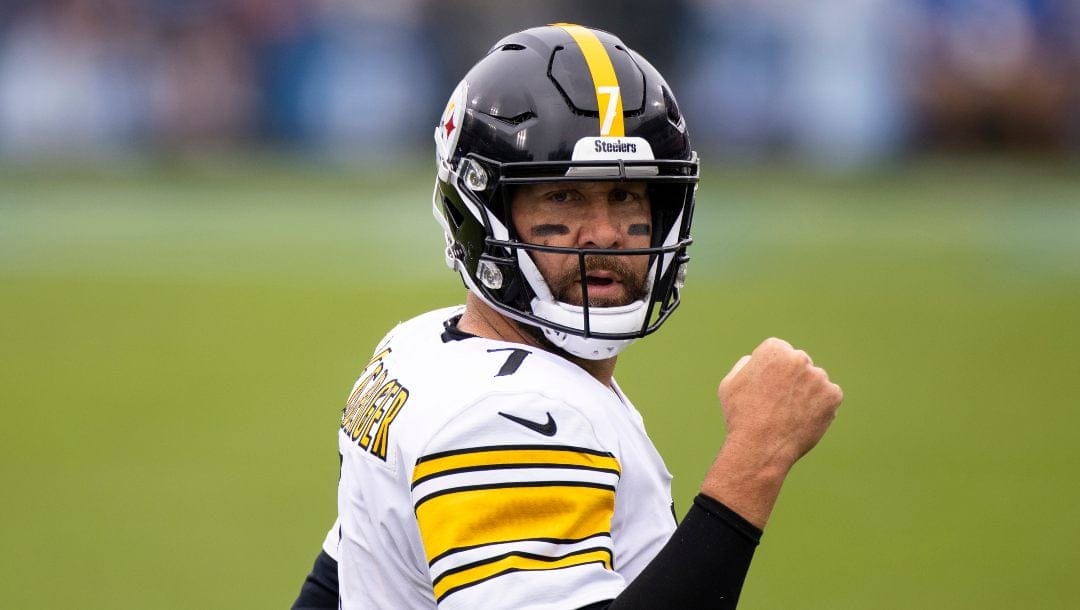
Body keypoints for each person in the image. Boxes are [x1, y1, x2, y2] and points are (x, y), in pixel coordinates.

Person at [292, 23, 842, 610]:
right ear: (481, 210)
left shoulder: (421, 345)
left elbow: (337, 587)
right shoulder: (511, 416)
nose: (604, 234)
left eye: (626, 196)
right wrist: (757, 458)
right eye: (561, 196)